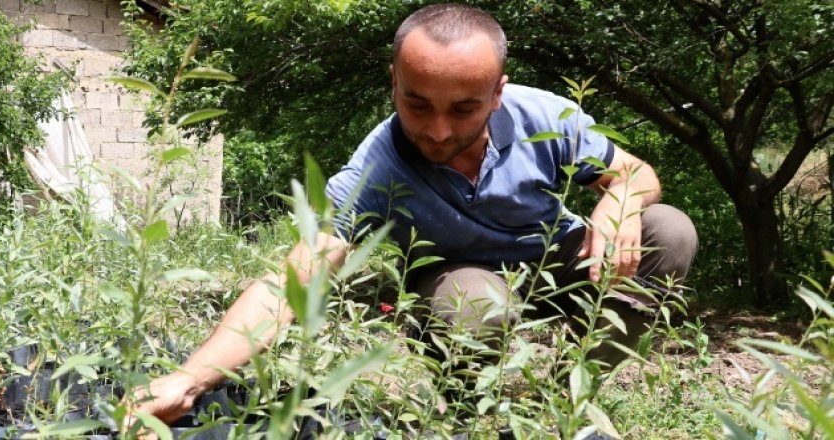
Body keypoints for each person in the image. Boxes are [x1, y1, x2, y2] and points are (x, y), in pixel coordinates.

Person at [131, 3, 698, 425]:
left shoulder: (545, 115)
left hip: (560, 260)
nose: (438, 130)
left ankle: (570, 403)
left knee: (668, 231)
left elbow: (637, 171)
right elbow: (292, 284)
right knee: (476, 306)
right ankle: (476, 417)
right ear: (395, 82)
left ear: (498, 93)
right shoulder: (375, 170)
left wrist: (619, 200)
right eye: (417, 104)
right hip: (462, 281)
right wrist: (190, 377)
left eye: (464, 108)